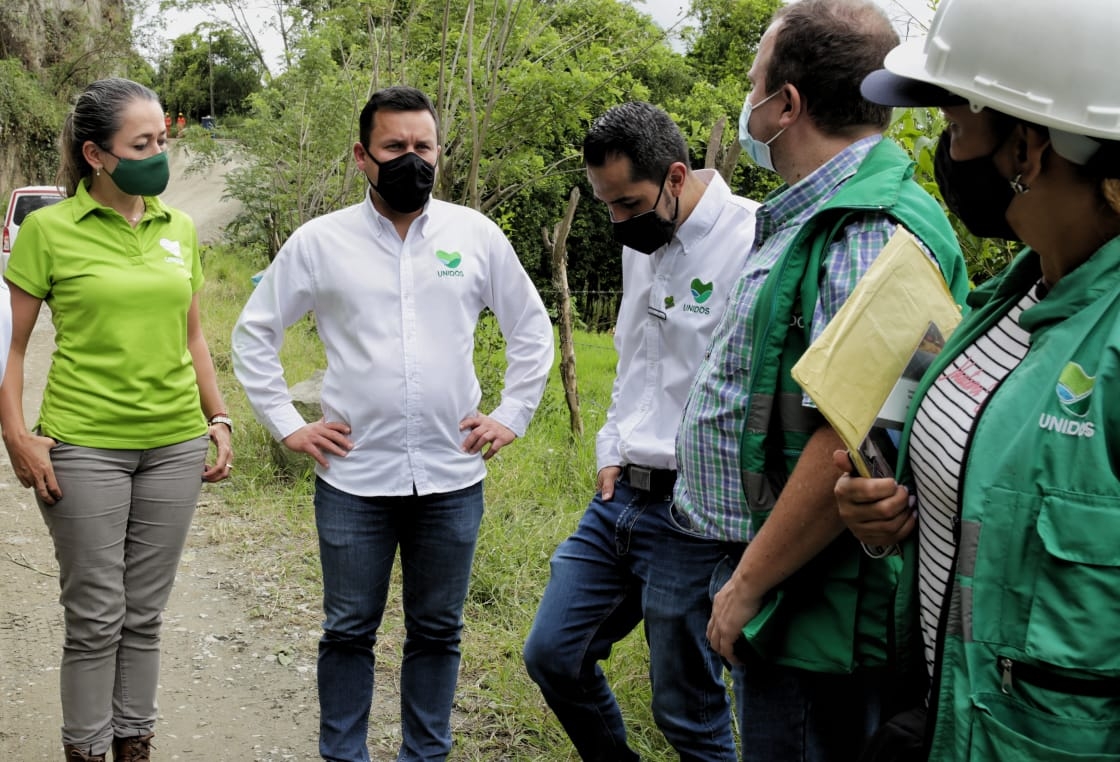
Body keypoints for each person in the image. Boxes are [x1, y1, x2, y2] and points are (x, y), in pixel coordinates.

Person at [670, 1, 970, 758]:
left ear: (787, 105)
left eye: (754, 85)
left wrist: (749, 582)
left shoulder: (865, 230)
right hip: (785, 576)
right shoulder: (821, 215)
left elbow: (850, 430)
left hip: (811, 602)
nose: (748, 103)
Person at [230, 85, 554, 762]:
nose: (413, 159)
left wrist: (512, 414)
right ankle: (343, 755)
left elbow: (531, 327)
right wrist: (288, 424)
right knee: (349, 629)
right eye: (395, 146)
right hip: (354, 478)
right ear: (362, 156)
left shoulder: (474, 235)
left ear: (439, 152)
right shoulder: (320, 243)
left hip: (451, 475)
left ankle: (424, 755)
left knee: (437, 631)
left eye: (423, 146)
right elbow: (254, 334)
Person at [836, 0, 1120, 758]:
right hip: (948, 717)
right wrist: (890, 520)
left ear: (1028, 148)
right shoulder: (1009, 299)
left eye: (957, 130)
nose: (948, 156)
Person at [1, 77, 233, 762]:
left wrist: (218, 417)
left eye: (162, 139)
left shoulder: (177, 228)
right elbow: (11, 346)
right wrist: (16, 435)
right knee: (96, 616)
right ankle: (86, 749)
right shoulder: (48, 230)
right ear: (96, 154)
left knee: (145, 614)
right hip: (83, 448)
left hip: (175, 446)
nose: (158, 154)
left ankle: (135, 744)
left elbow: (194, 336)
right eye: (142, 144)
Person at [522, 101, 758, 761]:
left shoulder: (753, 240)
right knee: (553, 654)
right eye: (605, 205)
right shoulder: (643, 242)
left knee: (687, 710)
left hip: (696, 510)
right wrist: (610, 445)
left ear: (676, 176)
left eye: (627, 203)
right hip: (621, 494)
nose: (618, 222)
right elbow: (635, 358)